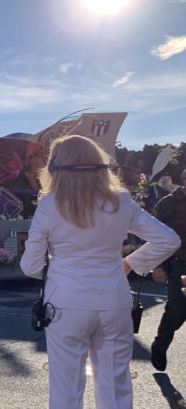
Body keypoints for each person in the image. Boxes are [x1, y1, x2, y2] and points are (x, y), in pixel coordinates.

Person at [20, 135, 180, 409]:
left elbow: (31, 267)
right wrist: (130, 264)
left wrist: (59, 260)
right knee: (116, 387)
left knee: (66, 388)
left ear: (56, 167)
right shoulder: (120, 201)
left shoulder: (49, 205)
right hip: (114, 300)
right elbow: (169, 240)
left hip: (65, 303)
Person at [149, 167, 186, 371]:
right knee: (177, 310)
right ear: (183, 180)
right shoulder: (167, 204)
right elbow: (152, 235)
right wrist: (156, 265)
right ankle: (159, 346)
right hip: (177, 263)